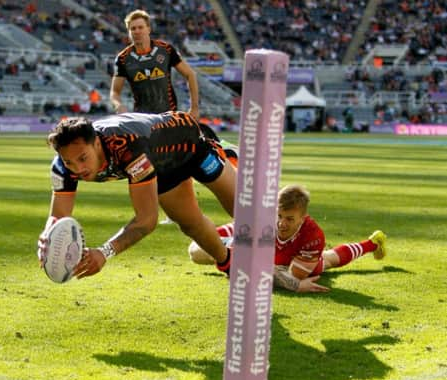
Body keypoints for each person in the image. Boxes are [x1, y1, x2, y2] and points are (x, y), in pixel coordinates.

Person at [37, 111, 236, 279]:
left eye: (83, 158)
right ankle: (230, 263)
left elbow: (147, 219)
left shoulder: (128, 147)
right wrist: (48, 236)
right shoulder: (63, 166)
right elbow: (58, 216)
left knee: (243, 211)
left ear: (97, 144)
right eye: (70, 162)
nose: (78, 168)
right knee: (191, 225)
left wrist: (105, 252)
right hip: (162, 167)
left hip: (193, 145)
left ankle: (231, 156)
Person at [188, 184, 387, 293]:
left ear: (303, 218)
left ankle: (372, 243)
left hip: (294, 261)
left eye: (290, 219)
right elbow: (198, 246)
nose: (282, 223)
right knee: (196, 252)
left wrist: (293, 284)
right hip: (267, 259)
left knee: (326, 261)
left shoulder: (313, 236)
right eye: (279, 216)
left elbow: (293, 277)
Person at [109, 9, 200, 120]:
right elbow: (115, 92)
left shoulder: (166, 49)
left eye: (140, 27)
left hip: (169, 116)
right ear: (129, 33)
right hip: (142, 120)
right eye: (133, 29)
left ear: (149, 29)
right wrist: (118, 105)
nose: (137, 31)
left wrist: (194, 108)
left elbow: (190, 75)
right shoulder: (123, 58)